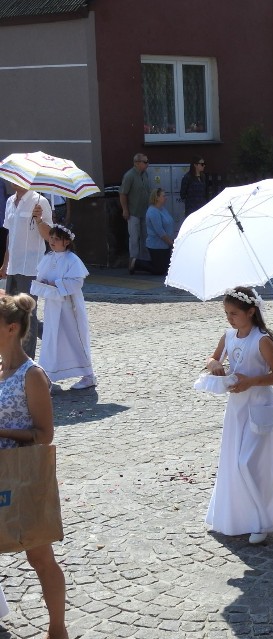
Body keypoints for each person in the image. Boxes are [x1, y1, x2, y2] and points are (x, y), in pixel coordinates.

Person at [204, 287, 273, 543]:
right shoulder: (228, 336)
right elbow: (214, 357)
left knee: (247, 462)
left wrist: (252, 381)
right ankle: (242, 515)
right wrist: (213, 364)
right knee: (234, 462)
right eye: (226, 313)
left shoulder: (261, 340)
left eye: (234, 313)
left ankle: (262, 519)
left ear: (251, 311)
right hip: (236, 410)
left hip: (259, 407)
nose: (229, 318)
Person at [0, 293, 69, 639]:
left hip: (21, 477)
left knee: (39, 557)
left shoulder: (32, 375)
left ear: (11, 328)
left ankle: (57, 629)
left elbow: (44, 434)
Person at [31, 225, 96, 390]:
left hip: (69, 306)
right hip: (53, 306)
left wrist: (57, 284)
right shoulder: (48, 257)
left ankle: (88, 374)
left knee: (74, 336)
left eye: (56, 239)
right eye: (51, 238)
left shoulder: (72, 260)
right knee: (52, 338)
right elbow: (41, 276)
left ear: (66, 242)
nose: (52, 241)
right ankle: (49, 374)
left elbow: (77, 282)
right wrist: (44, 284)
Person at [1, 182, 53, 358]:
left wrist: (38, 220)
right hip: (14, 265)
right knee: (10, 312)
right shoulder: (10, 201)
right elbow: (11, 235)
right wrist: (5, 263)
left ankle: (26, 362)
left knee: (27, 313)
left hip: (31, 266)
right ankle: (50, 337)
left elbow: (49, 236)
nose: (14, 181)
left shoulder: (40, 201)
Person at [129, 188, 174, 276]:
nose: (166, 198)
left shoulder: (163, 209)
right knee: (159, 270)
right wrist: (171, 243)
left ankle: (154, 264)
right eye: (163, 196)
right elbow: (160, 231)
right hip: (156, 245)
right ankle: (136, 262)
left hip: (165, 245)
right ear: (157, 198)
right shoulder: (153, 211)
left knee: (165, 268)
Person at [119, 153, 152, 272]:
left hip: (145, 212)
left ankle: (143, 264)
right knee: (134, 239)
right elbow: (123, 194)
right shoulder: (129, 176)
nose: (147, 164)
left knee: (145, 238)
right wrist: (125, 210)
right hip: (133, 212)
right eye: (145, 161)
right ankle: (132, 264)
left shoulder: (146, 174)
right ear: (137, 163)